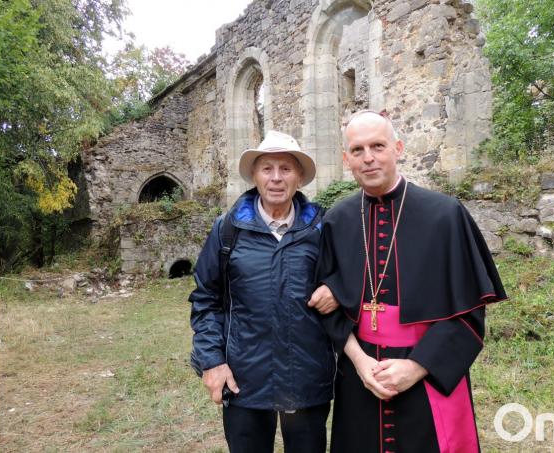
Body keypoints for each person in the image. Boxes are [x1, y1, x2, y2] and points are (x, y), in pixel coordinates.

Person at [308, 110, 507, 452]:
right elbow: (328, 309)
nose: (368, 158)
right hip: (361, 375)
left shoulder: (445, 214)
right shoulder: (338, 220)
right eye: (357, 150)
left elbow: (470, 315)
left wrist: (416, 367)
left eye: (378, 146)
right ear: (346, 159)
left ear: (398, 148)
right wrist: (359, 361)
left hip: (428, 369)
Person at [189, 130, 337, 453]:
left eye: (285, 168)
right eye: (267, 168)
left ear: (299, 176)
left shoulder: (323, 228)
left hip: (307, 376)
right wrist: (211, 361)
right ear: (254, 175)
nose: (276, 178)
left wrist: (337, 290)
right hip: (244, 378)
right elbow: (205, 299)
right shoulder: (228, 229)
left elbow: (351, 278)